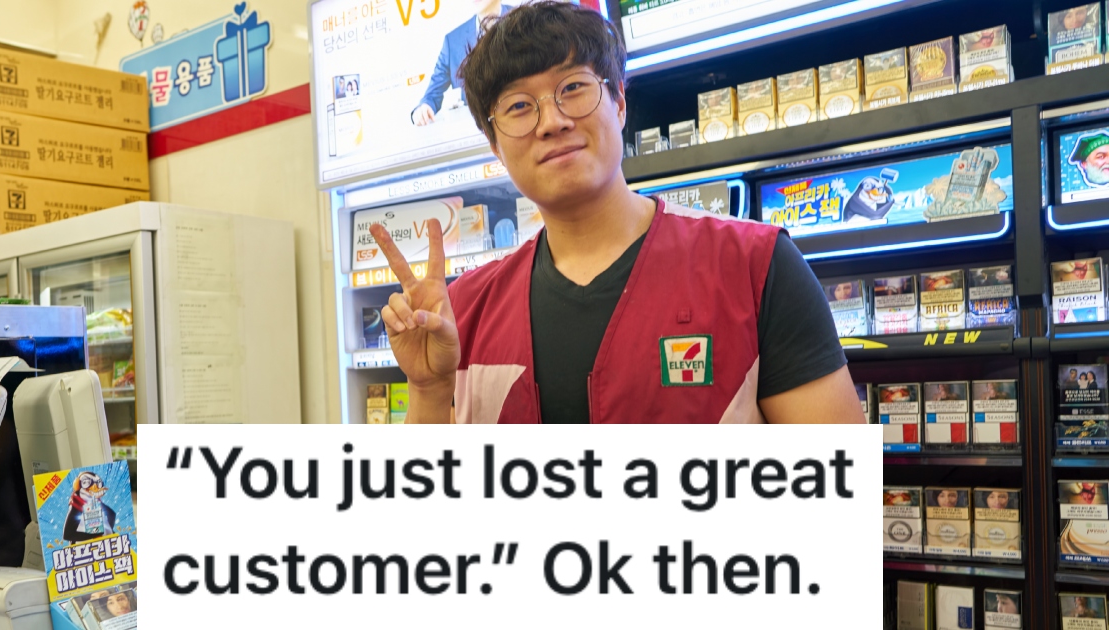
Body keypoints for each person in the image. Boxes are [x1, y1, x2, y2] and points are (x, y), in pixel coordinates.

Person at [370, 1, 864, 424]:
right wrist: (430, 393)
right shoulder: (464, 311)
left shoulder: (756, 268)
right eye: (520, 107)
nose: (552, 121)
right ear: (494, 144)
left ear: (620, 102)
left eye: (573, 89)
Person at [411, 0, 509, 126]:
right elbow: (432, 94)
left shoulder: (527, 21)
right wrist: (423, 108)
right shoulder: (453, 41)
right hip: (478, 135)